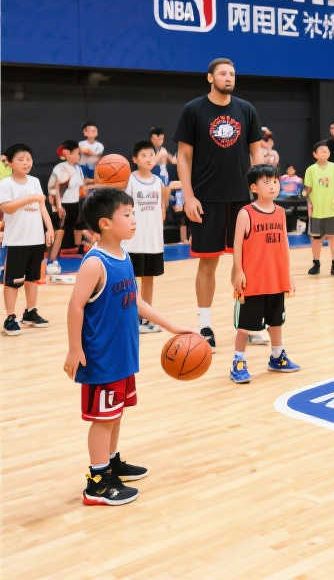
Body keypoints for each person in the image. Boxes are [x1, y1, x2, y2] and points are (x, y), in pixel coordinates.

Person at [63, 188, 194, 505]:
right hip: (101, 358)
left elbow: (136, 302)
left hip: (123, 355)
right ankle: (97, 483)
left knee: (116, 414)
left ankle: (111, 463)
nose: (134, 219)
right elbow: (75, 306)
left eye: (134, 214)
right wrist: (74, 349)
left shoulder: (124, 256)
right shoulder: (95, 263)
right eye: (127, 215)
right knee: (103, 419)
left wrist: (171, 326)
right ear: (105, 223)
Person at [174, 57, 263, 349]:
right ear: (210, 78)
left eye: (232, 74)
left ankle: (249, 323)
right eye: (223, 73)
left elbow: (256, 152)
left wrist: (260, 191)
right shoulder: (193, 110)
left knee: (246, 263)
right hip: (206, 199)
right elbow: (183, 157)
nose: (229, 77)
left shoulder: (246, 110)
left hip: (241, 199)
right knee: (207, 263)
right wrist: (188, 196)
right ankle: (205, 326)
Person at [229, 165, 300, 383]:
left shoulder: (280, 212)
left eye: (275, 181)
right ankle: (238, 361)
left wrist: (289, 275)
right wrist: (238, 271)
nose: (273, 186)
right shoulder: (246, 213)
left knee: (276, 321)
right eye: (266, 182)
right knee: (244, 327)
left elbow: (285, 244)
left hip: (276, 278)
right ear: (254, 188)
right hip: (253, 281)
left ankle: (277, 356)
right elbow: (237, 246)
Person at [0, 144, 54, 335]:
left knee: (32, 278)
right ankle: (10, 317)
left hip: (36, 239)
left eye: (28, 159)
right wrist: (30, 198)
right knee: (13, 281)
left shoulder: (35, 181)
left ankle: (30, 312)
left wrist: (49, 228)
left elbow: (42, 207)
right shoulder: (6, 184)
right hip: (17, 241)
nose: (26, 163)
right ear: (10, 162)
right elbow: (7, 208)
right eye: (20, 159)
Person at [124, 141, 169, 335]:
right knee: (131, 280)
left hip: (153, 240)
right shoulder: (130, 180)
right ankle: (131, 317)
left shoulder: (158, 181)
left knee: (149, 279)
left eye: (151, 155)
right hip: (133, 241)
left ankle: (146, 317)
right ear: (135, 159)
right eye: (144, 155)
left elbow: (162, 208)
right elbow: (124, 208)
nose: (149, 158)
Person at [304, 140, 334, 275]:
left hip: (333, 211)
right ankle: (316, 263)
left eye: (327, 151)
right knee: (316, 239)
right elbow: (308, 190)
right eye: (322, 151)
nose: (325, 153)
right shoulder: (310, 170)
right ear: (315, 154)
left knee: (333, 238)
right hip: (317, 212)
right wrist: (305, 199)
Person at [47, 140, 87, 271]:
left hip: (74, 204)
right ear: (68, 153)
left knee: (79, 227)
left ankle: (80, 250)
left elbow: (81, 188)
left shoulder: (78, 169)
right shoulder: (60, 168)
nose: (79, 156)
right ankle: (51, 261)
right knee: (59, 232)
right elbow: (55, 189)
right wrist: (58, 206)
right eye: (77, 153)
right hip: (61, 205)